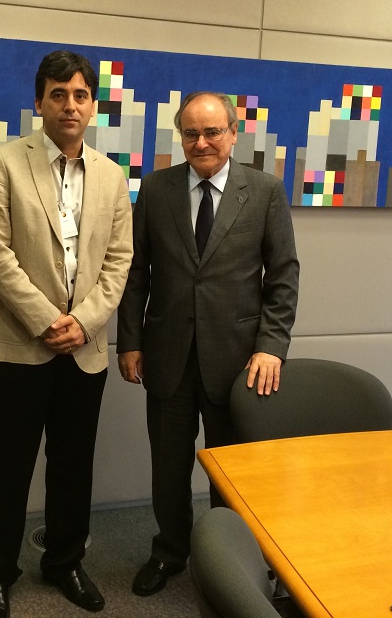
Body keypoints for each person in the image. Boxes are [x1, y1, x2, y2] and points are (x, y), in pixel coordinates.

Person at [117, 91, 299, 597]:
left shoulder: (264, 191)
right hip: (167, 356)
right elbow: (136, 272)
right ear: (181, 137)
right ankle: (170, 550)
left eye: (212, 132)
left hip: (239, 363)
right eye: (191, 133)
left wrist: (271, 346)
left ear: (233, 134)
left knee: (232, 472)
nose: (201, 142)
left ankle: (232, 562)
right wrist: (129, 341)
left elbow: (283, 275)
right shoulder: (156, 189)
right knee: (168, 467)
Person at [0, 50, 133, 618]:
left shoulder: (112, 176)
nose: (70, 105)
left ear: (93, 105)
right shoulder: (4, 164)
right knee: (7, 466)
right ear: (39, 101)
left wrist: (83, 323)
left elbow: (119, 261)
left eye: (80, 95)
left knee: (73, 463)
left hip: (85, 349)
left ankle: (65, 561)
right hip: (22, 344)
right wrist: (47, 320)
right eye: (58, 94)